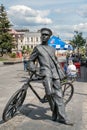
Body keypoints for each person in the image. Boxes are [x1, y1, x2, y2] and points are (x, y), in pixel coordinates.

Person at [28, 28, 73, 125]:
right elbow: (31, 60)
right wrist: (34, 70)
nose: (44, 36)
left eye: (46, 35)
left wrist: (62, 73)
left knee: (59, 96)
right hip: (45, 73)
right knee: (49, 93)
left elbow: (56, 62)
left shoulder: (52, 49)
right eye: (42, 34)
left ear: (49, 37)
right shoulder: (38, 48)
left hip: (55, 74)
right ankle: (54, 112)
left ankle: (62, 117)